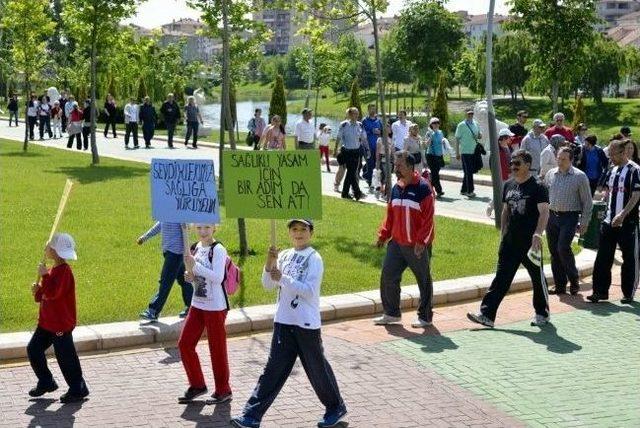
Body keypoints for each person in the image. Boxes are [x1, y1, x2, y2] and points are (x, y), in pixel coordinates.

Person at [231, 219, 347, 428]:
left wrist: (284, 279)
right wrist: (269, 264)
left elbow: (310, 292)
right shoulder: (283, 255)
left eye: (303, 229)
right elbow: (267, 284)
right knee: (272, 370)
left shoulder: (314, 258)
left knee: (316, 369)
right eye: (294, 229)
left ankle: (335, 407)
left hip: (306, 324)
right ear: (289, 233)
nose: (299, 233)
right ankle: (251, 416)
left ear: (311, 232)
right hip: (283, 322)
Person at [467, 149, 550, 328]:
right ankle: (486, 315)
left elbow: (544, 212)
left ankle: (542, 313)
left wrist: (538, 233)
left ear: (528, 165)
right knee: (501, 278)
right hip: (510, 241)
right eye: (511, 163)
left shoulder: (538, 186)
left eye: (517, 163)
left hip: (530, 242)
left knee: (537, 277)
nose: (513, 166)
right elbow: (505, 210)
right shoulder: (508, 184)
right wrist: (502, 234)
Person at [374, 150, 435, 328]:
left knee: (423, 279)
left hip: (417, 245)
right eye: (395, 164)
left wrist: (421, 242)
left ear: (410, 167)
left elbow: (428, 219)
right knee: (388, 275)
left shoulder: (424, 188)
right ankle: (391, 313)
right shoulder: (396, 187)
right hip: (397, 244)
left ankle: (425, 317)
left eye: (399, 165)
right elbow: (390, 215)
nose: (396, 168)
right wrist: (383, 235)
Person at [27, 233, 90, 403]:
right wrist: (37, 290)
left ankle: (78, 387)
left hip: (60, 323)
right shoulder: (53, 270)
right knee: (33, 349)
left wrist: (45, 276)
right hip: (47, 322)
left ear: (56, 251)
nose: (46, 247)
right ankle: (46, 381)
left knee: (65, 356)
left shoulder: (65, 273)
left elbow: (54, 293)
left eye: (49, 246)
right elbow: (44, 295)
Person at [177, 224, 232, 405]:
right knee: (184, 344)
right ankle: (197, 384)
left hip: (216, 306)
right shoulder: (195, 247)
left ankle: (223, 390)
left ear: (214, 228)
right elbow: (195, 276)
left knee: (216, 349)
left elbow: (218, 277)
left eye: (207, 227)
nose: (203, 231)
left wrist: (196, 267)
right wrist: (190, 276)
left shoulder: (218, 249)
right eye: (199, 227)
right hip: (198, 303)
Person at [588, 140, 640, 304]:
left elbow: (636, 195)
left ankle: (628, 292)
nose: (610, 157)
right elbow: (605, 191)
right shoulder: (611, 169)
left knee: (629, 258)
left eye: (612, 154)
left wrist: (623, 215)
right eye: (608, 153)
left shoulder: (634, 170)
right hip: (609, 221)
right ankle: (600, 292)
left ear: (623, 152)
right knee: (603, 257)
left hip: (628, 222)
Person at [544, 147, 593, 295]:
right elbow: (545, 195)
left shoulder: (580, 176)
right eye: (558, 158)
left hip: (569, 217)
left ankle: (574, 281)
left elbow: (587, 202)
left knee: (563, 248)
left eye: (564, 159)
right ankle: (559, 285)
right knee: (554, 251)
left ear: (571, 160)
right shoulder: (551, 174)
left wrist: (584, 222)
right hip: (551, 217)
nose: (560, 161)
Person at [137, 222, 192, 322]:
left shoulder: (179, 212)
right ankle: (192, 308)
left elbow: (187, 228)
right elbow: (158, 226)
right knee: (184, 280)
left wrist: (187, 252)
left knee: (165, 282)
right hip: (169, 252)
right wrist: (145, 237)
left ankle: (153, 311)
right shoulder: (166, 213)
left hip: (175, 253)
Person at [335, 107, 368, 201]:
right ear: (349, 114)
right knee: (351, 172)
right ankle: (355, 193)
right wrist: (335, 149)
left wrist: (367, 149)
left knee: (351, 173)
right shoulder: (344, 124)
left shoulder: (360, 125)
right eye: (354, 113)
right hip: (347, 151)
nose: (357, 115)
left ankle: (350, 193)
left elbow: (364, 138)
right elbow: (338, 137)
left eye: (357, 113)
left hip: (356, 152)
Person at [486, 128, 515, 218]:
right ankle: (490, 207)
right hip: (500, 176)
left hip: (510, 175)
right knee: (501, 194)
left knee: (509, 194)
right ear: (504, 138)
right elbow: (492, 163)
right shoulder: (496, 149)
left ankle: (508, 212)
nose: (511, 139)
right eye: (509, 137)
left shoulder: (509, 148)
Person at [455, 109, 483, 198]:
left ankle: (463, 190)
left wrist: (478, 135)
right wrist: (457, 152)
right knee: (469, 171)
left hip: (474, 151)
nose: (470, 115)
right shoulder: (461, 125)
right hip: (465, 151)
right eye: (469, 114)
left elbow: (480, 135)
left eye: (472, 113)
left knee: (468, 171)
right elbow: (457, 139)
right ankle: (470, 191)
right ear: (465, 114)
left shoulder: (476, 123)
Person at [362, 104, 383, 190]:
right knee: (370, 164)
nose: (373, 111)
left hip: (377, 147)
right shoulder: (365, 120)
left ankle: (367, 175)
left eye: (374, 109)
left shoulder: (379, 121)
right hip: (368, 146)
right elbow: (362, 132)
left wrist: (380, 132)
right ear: (368, 110)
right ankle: (370, 182)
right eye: (371, 109)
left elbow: (383, 131)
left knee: (377, 164)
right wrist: (371, 131)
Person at [424, 117, 445, 198]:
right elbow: (426, 145)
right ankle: (439, 190)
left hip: (439, 155)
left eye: (437, 123)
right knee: (435, 173)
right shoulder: (429, 133)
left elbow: (442, 143)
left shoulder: (441, 132)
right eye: (434, 123)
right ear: (431, 125)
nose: (436, 124)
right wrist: (431, 136)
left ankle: (428, 188)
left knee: (434, 174)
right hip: (431, 155)